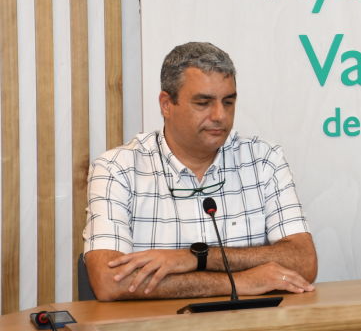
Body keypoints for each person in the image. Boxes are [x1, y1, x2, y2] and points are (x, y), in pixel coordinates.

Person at [83, 42, 317, 301]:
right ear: (166, 104)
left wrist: (195, 257)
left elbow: (303, 261)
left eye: (228, 102)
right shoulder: (118, 168)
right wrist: (237, 282)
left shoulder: (263, 160)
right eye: (203, 103)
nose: (220, 115)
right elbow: (109, 282)